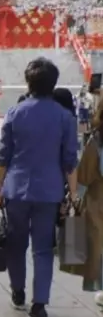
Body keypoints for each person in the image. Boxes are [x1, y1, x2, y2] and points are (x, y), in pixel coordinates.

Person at [0, 57, 79, 317]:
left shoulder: (15, 113)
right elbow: (69, 160)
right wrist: (74, 194)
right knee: (43, 248)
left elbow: (3, 157)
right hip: (49, 190)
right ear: (53, 83)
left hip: (16, 189)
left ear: (28, 82)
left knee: (16, 245)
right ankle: (39, 305)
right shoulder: (65, 117)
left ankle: (18, 293)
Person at [68, 101, 103, 296]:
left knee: (98, 251)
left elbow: (84, 177)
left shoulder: (96, 142)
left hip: (98, 203)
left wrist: (75, 199)